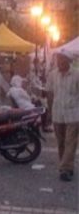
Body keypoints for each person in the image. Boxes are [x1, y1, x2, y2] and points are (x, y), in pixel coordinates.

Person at [46, 51, 78, 182]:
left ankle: (65, 168)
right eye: (58, 60)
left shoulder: (77, 75)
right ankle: (66, 166)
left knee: (71, 142)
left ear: (69, 61)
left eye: (62, 60)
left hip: (74, 114)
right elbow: (49, 93)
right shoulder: (53, 75)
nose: (59, 63)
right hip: (57, 113)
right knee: (61, 142)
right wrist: (49, 111)